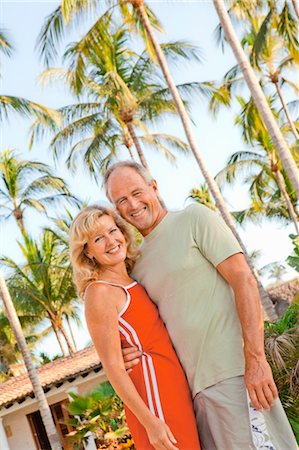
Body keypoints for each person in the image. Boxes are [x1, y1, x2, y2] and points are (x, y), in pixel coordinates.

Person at [104, 161, 297, 450]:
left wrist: (256, 360)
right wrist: (123, 351)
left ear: (153, 187)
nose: (132, 204)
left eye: (136, 192)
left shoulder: (193, 218)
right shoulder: (134, 265)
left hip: (234, 375)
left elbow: (243, 279)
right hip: (190, 397)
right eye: (121, 200)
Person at [69, 205, 201, 450]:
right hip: (154, 398)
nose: (111, 241)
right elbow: (114, 368)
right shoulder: (100, 292)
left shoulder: (133, 279)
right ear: (88, 252)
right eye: (98, 239)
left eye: (112, 230)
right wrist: (150, 422)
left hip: (175, 388)